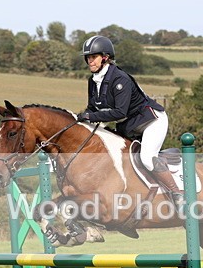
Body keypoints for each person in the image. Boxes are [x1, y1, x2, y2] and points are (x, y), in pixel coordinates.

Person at [77, 35, 182, 204]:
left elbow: (119, 112)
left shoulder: (120, 79)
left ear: (105, 57)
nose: (90, 61)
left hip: (151, 121)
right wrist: (78, 120)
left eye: (93, 57)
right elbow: (92, 109)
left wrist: (90, 116)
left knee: (147, 158)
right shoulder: (93, 81)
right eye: (88, 58)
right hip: (130, 126)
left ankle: (177, 193)